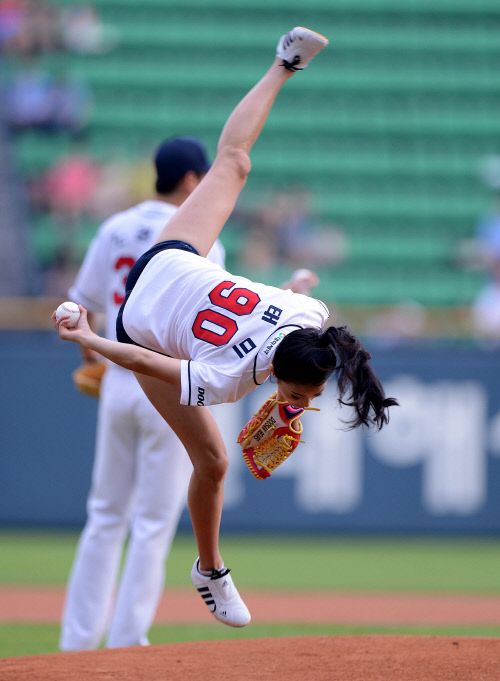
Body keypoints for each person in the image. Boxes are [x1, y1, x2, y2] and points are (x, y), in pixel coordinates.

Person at [54, 27, 398, 629]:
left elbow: (273, 316)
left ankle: (282, 63)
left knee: (234, 164)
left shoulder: (311, 319)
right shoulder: (231, 378)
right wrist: (89, 340)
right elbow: (141, 364)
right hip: (142, 326)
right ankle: (210, 571)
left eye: (302, 398)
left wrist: (293, 291)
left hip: (170, 258)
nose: (295, 403)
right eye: (295, 395)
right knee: (212, 461)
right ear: (274, 373)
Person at [59, 137, 226, 650]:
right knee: (153, 521)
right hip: (168, 387)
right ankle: (128, 640)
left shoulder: (116, 227)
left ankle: (77, 642)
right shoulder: (202, 236)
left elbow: (80, 303)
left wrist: (91, 361)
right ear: (193, 181)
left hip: (117, 379)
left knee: (105, 514)